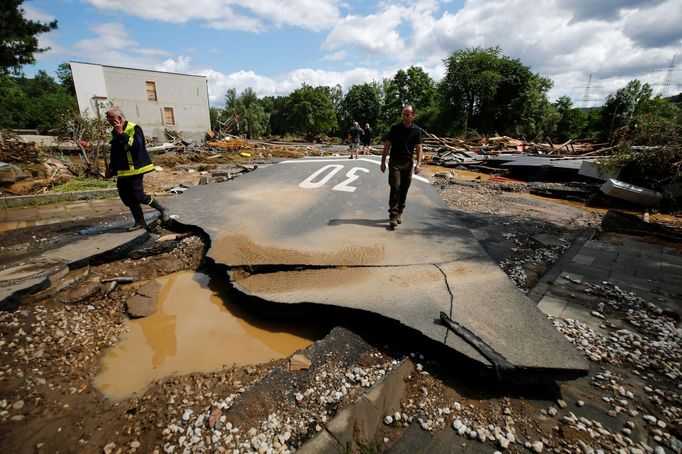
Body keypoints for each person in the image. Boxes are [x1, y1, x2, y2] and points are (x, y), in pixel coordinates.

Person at [105, 107, 169, 231]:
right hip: (123, 171)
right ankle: (140, 222)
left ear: (118, 118)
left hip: (136, 169)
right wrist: (111, 169)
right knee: (126, 197)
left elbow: (136, 147)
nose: (108, 120)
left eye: (110, 117)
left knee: (139, 196)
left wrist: (121, 133)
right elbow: (115, 152)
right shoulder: (114, 131)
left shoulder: (133, 128)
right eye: (107, 117)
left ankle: (162, 208)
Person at [380, 105, 423, 228]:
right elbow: (387, 145)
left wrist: (419, 163)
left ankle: (399, 212)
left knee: (404, 189)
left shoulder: (416, 130)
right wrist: (383, 162)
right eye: (404, 114)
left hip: (408, 163)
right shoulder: (395, 128)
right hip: (395, 162)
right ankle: (393, 215)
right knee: (395, 187)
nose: (405, 117)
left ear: (413, 116)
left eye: (408, 115)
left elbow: (419, 148)